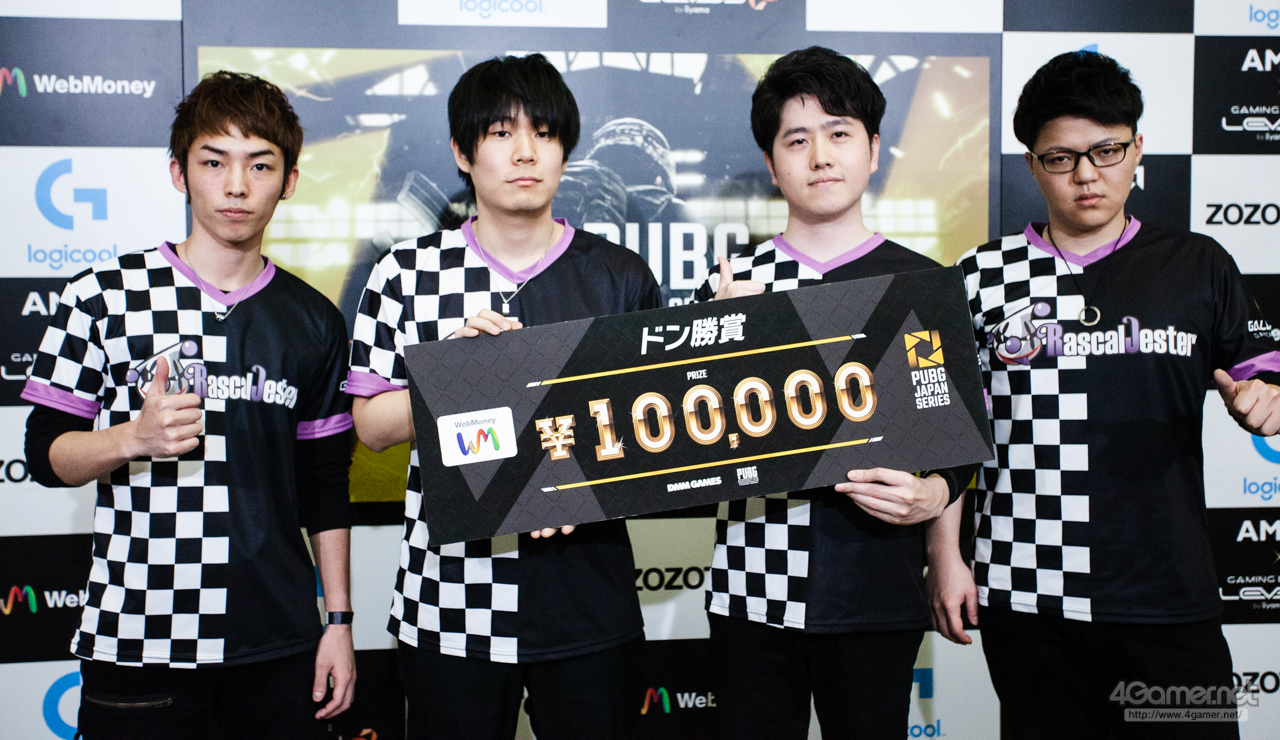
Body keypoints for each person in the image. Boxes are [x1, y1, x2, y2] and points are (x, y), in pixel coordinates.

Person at [933, 50, 1280, 739]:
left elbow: (1261, 377)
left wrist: (1266, 400)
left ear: (1137, 148)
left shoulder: (1198, 264)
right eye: (1061, 158)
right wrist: (946, 557)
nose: (1087, 175)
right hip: (1028, 593)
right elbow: (949, 433)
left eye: (1107, 151)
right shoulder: (981, 276)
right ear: (1032, 165)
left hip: (1167, 593)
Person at [21, 71, 356, 738]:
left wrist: (340, 621)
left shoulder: (314, 319)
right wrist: (131, 438)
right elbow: (43, 455)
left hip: (277, 642)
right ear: (179, 173)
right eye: (214, 162)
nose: (237, 186)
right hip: (140, 638)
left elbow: (323, 484)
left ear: (289, 181)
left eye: (260, 165)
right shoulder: (102, 295)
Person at [346, 54, 662, 740]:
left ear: (566, 150)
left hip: (587, 601)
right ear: (463, 152)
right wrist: (453, 377)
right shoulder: (406, 273)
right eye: (500, 133)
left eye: (544, 133)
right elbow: (371, 425)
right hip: (450, 600)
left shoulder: (619, 276)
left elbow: (649, 433)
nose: (525, 152)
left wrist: (582, 482)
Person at [690, 46, 978, 740]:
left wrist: (939, 512)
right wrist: (724, 347)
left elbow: (951, 438)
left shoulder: (924, 286)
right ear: (771, 164)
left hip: (879, 591)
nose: (820, 156)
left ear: (873, 149)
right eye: (797, 140)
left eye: (839, 132)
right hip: (753, 590)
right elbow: (687, 452)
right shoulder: (730, 288)